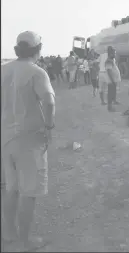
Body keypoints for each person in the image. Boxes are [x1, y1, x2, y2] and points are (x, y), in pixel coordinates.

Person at [1, 31, 55, 251]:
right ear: (37, 50)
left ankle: (8, 233)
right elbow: (49, 102)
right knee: (29, 191)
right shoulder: (37, 72)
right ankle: (25, 240)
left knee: (11, 188)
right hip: (29, 140)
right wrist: (49, 127)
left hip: (5, 139)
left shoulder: (3, 70)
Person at [105, 46, 121, 112]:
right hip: (111, 80)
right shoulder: (108, 61)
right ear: (110, 53)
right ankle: (109, 107)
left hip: (114, 80)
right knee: (110, 93)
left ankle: (114, 101)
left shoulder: (112, 60)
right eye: (114, 53)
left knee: (113, 92)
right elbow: (109, 72)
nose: (115, 54)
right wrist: (112, 80)